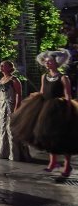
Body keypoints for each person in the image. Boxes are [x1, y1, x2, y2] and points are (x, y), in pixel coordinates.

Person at [11, 49, 78, 178]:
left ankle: (67, 165)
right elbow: (42, 91)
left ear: (57, 63)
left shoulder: (64, 77)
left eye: (50, 62)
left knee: (64, 138)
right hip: (45, 110)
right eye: (46, 62)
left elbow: (68, 96)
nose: (47, 64)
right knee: (47, 137)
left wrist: (69, 111)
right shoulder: (44, 77)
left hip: (59, 109)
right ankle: (52, 163)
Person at [0, 60, 28, 161]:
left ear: (10, 68)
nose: (1, 67)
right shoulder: (1, 79)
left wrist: (16, 107)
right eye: (0, 65)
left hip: (10, 105)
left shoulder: (14, 80)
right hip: (2, 106)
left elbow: (18, 94)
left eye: (3, 66)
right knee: (2, 128)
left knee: (11, 129)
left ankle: (16, 154)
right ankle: (4, 152)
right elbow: (0, 93)